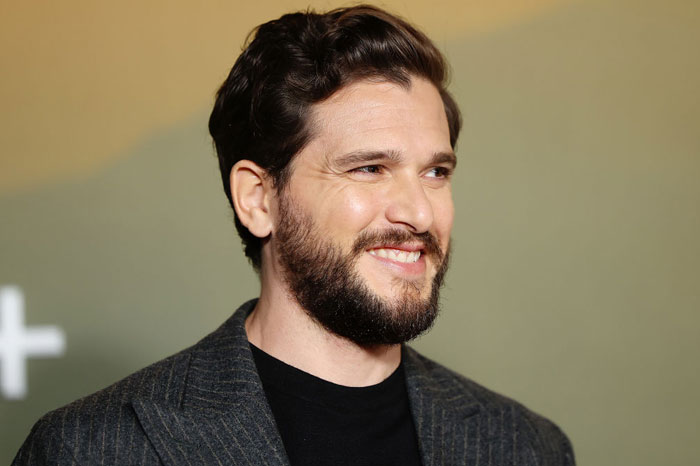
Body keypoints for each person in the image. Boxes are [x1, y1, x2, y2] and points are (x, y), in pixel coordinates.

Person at [13, 5, 574, 465]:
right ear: (259, 199)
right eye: (369, 168)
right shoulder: (92, 450)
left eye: (436, 173)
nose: (419, 214)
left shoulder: (526, 447)